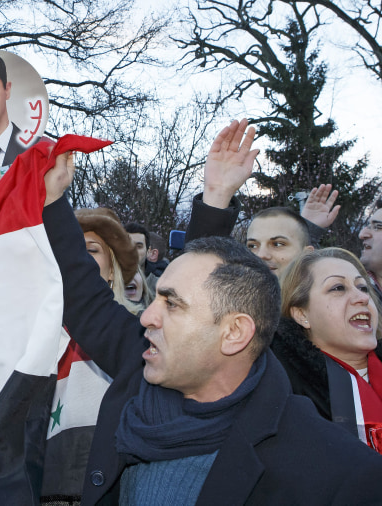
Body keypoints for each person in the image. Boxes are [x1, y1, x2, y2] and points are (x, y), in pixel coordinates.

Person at [41, 119, 382, 505]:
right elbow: (89, 294)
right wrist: (52, 202)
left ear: (235, 333)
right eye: (156, 300)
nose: (147, 317)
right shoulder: (141, 363)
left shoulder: (339, 473)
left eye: (170, 304)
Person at [41, 207, 138, 503]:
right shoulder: (33, 335)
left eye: (91, 250)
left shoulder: (141, 332)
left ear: (112, 269)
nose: (77, 261)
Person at [274, 247, 382, 452]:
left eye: (363, 287)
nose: (362, 298)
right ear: (301, 314)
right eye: (338, 288)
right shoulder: (280, 387)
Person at [359, 199, 382, 299]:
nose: (362, 234)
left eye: (377, 227)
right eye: (368, 226)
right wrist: (308, 233)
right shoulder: (355, 291)